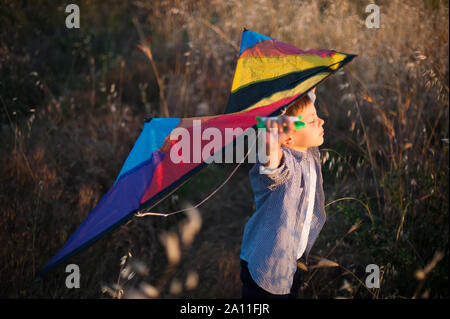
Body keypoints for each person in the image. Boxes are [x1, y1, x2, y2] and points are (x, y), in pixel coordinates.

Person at [240, 88, 327, 299]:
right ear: (286, 138)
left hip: (291, 261)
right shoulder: (281, 164)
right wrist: (272, 137)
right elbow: (271, 154)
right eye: (313, 120)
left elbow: (302, 105)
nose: (322, 121)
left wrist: (307, 82)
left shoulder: (306, 150)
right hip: (267, 267)